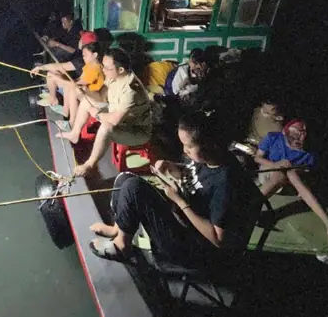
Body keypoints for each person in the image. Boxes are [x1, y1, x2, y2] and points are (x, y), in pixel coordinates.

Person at [88, 111, 258, 263]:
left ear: (210, 144)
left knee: (134, 188)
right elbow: (198, 173)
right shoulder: (212, 158)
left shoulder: (226, 183)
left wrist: (180, 201)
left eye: (189, 146)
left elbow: (218, 240)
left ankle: (122, 247)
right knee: (125, 178)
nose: (185, 151)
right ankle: (118, 229)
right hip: (182, 217)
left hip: (194, 247)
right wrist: (173, 166)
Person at [254, 119, 328, 252]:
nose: (299, 140)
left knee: (291, 172)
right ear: (284, 132)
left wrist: (297, 174)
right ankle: (249, 207)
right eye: (294, 136)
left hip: (290, 183)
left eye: (303, 136)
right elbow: (257, 158)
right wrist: (276, 164)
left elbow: (306, 175)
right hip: (268, 172)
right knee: (280, 174)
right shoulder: (272, 138)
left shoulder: (310, 154)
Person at [56, 48, 152, 177]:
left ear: (121, 70)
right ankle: (74, 134)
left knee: (106, 127)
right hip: (120, 116)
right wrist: (85, 91)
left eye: (107, 68)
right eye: (103, 66)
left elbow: (114, 120)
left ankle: (89, 164)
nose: (103, 70)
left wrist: (96, 113)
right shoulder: (114, 76)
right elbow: (101, 96)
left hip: (136, 129)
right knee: (86, 101)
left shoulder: (130, 89)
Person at [31, 31, 99, 115]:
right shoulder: (82, 54)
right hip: (75, 82)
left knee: (52, 75)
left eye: (81, 39)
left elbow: (61, 67)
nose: (79, 40)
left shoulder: (83, 61)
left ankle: (57, 103)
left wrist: (42, 67)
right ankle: (54, 99)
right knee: (55, 74)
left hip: (80, 89)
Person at [61, 42, 106, 130]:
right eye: (83, 55)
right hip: (90, 94)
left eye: (85, 55)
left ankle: (72, 122)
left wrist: (58, 79)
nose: (83, 57)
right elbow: (79, 80)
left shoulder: (96, 68)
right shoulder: (89, 66)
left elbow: (80, 83)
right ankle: (66, 111)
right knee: (69, 86)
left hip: (97, 97)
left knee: (74, 89)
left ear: (95, 55)